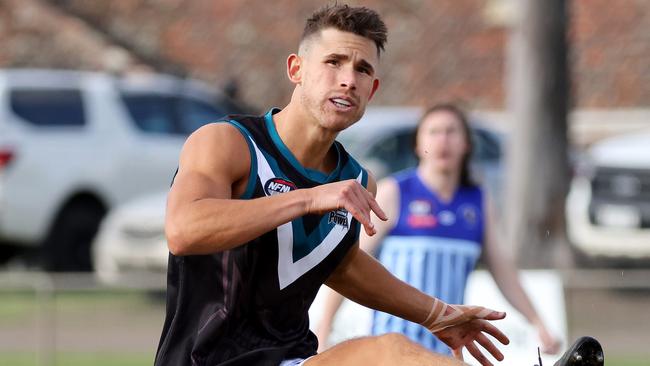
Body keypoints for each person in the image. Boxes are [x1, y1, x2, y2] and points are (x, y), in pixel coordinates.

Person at [154, 5, 510, 366]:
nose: (348, 80)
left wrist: (435, 314)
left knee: (395, 354)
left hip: (293, 359)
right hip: (206, 360)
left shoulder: (356, 181)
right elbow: (184, 229)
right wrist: (307, 199)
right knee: (388, 353)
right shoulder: (227, 143)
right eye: (334, 62)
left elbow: (341, 265)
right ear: (296, 69)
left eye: (362, 70)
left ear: (372, 90)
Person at [315, 104, 561, 356]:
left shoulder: (478, 201)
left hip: (447, 350)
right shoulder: (395, 192)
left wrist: (538, 323)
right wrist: (324, 330)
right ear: (417, 143)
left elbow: (503, 271)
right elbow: (350, 264)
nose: (443, 140)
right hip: (395, 351)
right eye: (433, 131)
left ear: (466, 144)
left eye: (451, 132)